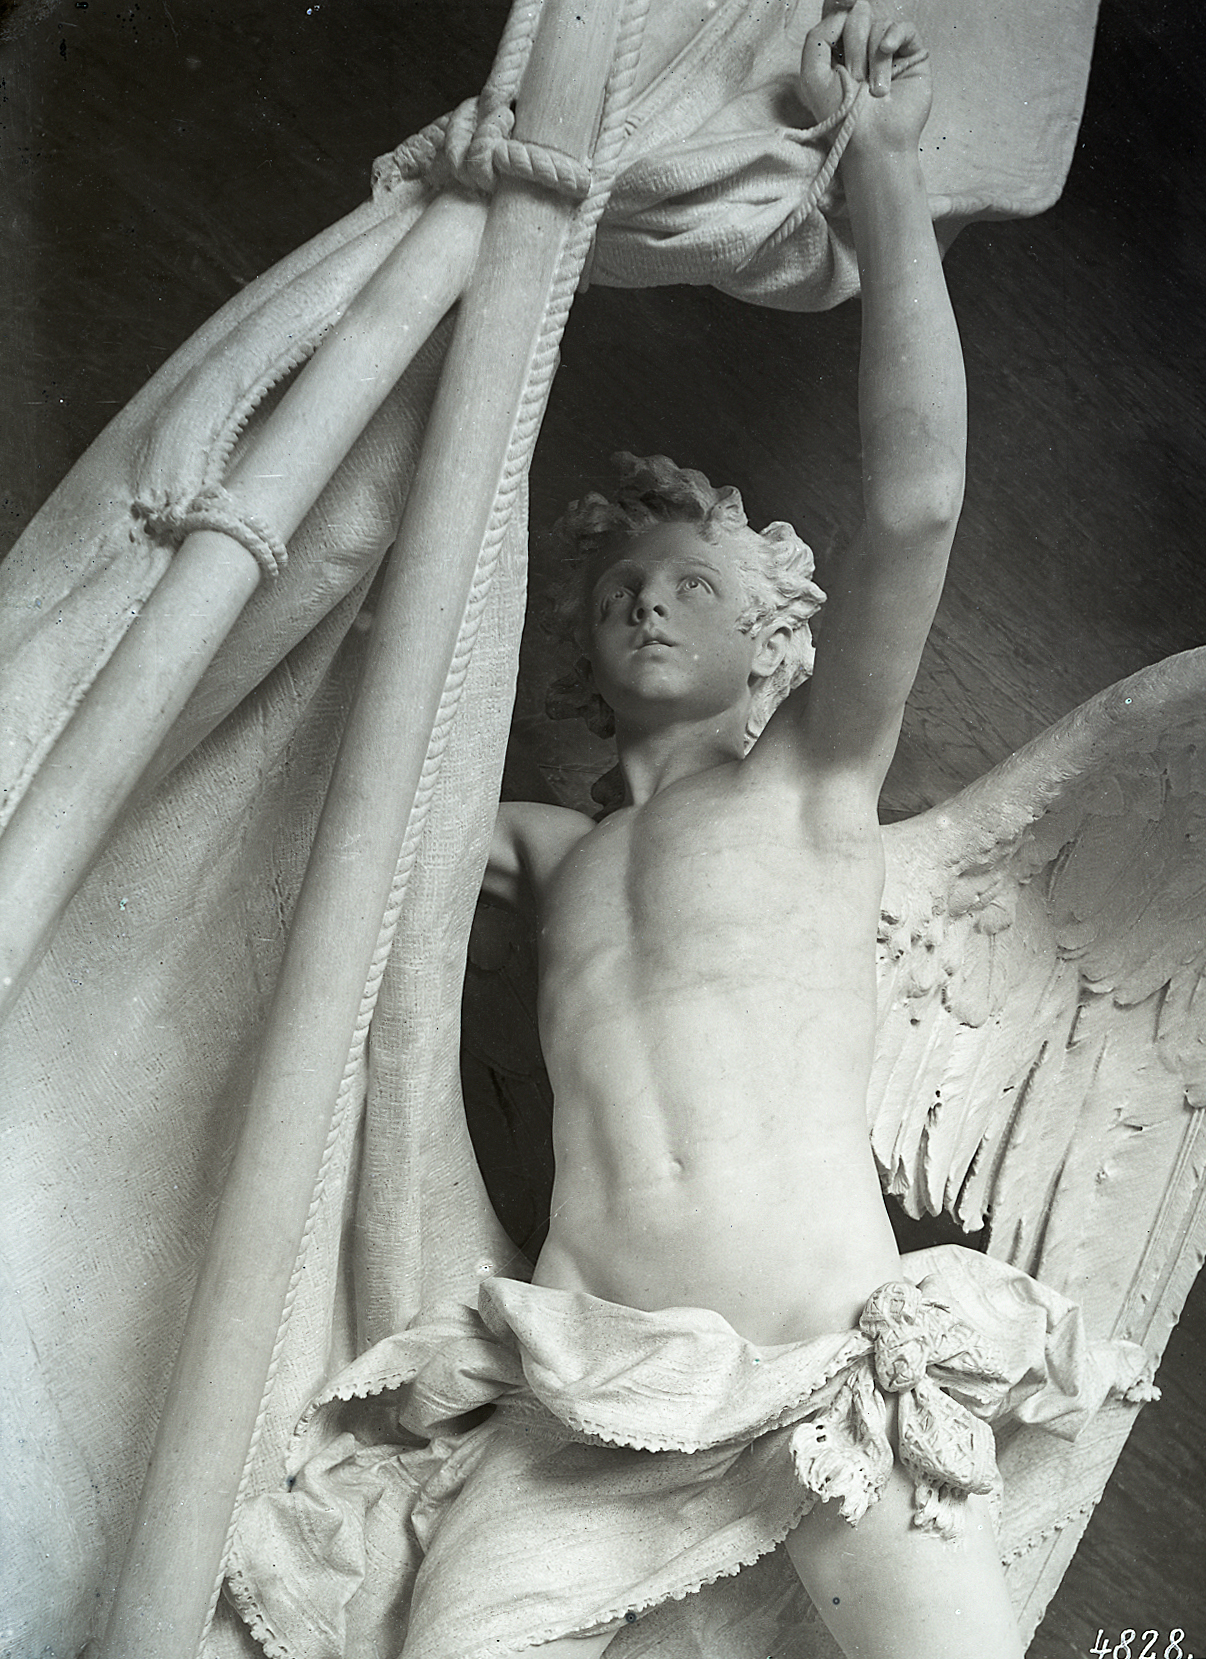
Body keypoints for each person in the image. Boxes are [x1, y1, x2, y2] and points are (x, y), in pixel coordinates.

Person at [410, 7, 1023, 1655]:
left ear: (772, 633)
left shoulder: (813, 785)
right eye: (619, 587)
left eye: (693, 581)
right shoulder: (541, 854)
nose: (647, 599)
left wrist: (882, 171)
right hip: (594, 1386)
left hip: (828, 1355)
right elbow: (376, 771)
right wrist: (451, 266)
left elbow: (918, 500)